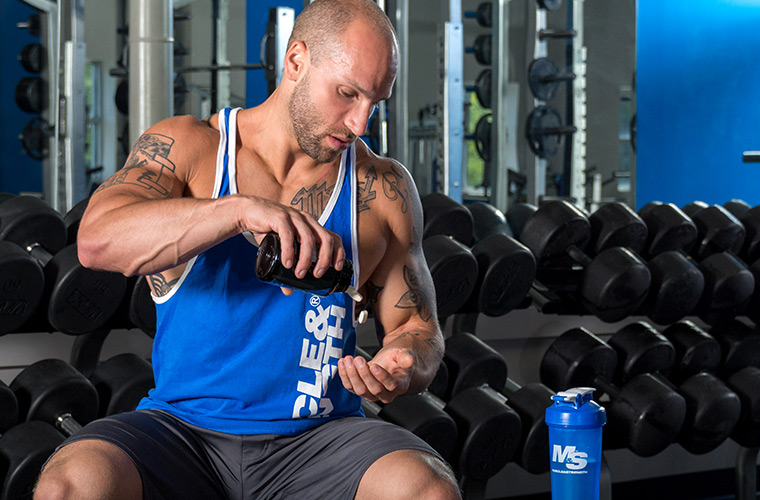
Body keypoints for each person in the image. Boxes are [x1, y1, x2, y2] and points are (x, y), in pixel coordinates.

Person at [33, 0, 460, 498]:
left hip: (320, 439)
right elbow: (97, 240)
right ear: (296, 60)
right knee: (72, 483)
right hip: (183, 432)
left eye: (375, 101)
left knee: (426, 488)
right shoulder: (192, 149)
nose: (360, 122)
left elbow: (418, 329)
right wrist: (236, 211)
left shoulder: (380, 189)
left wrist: (402, 365)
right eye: (347, 94)